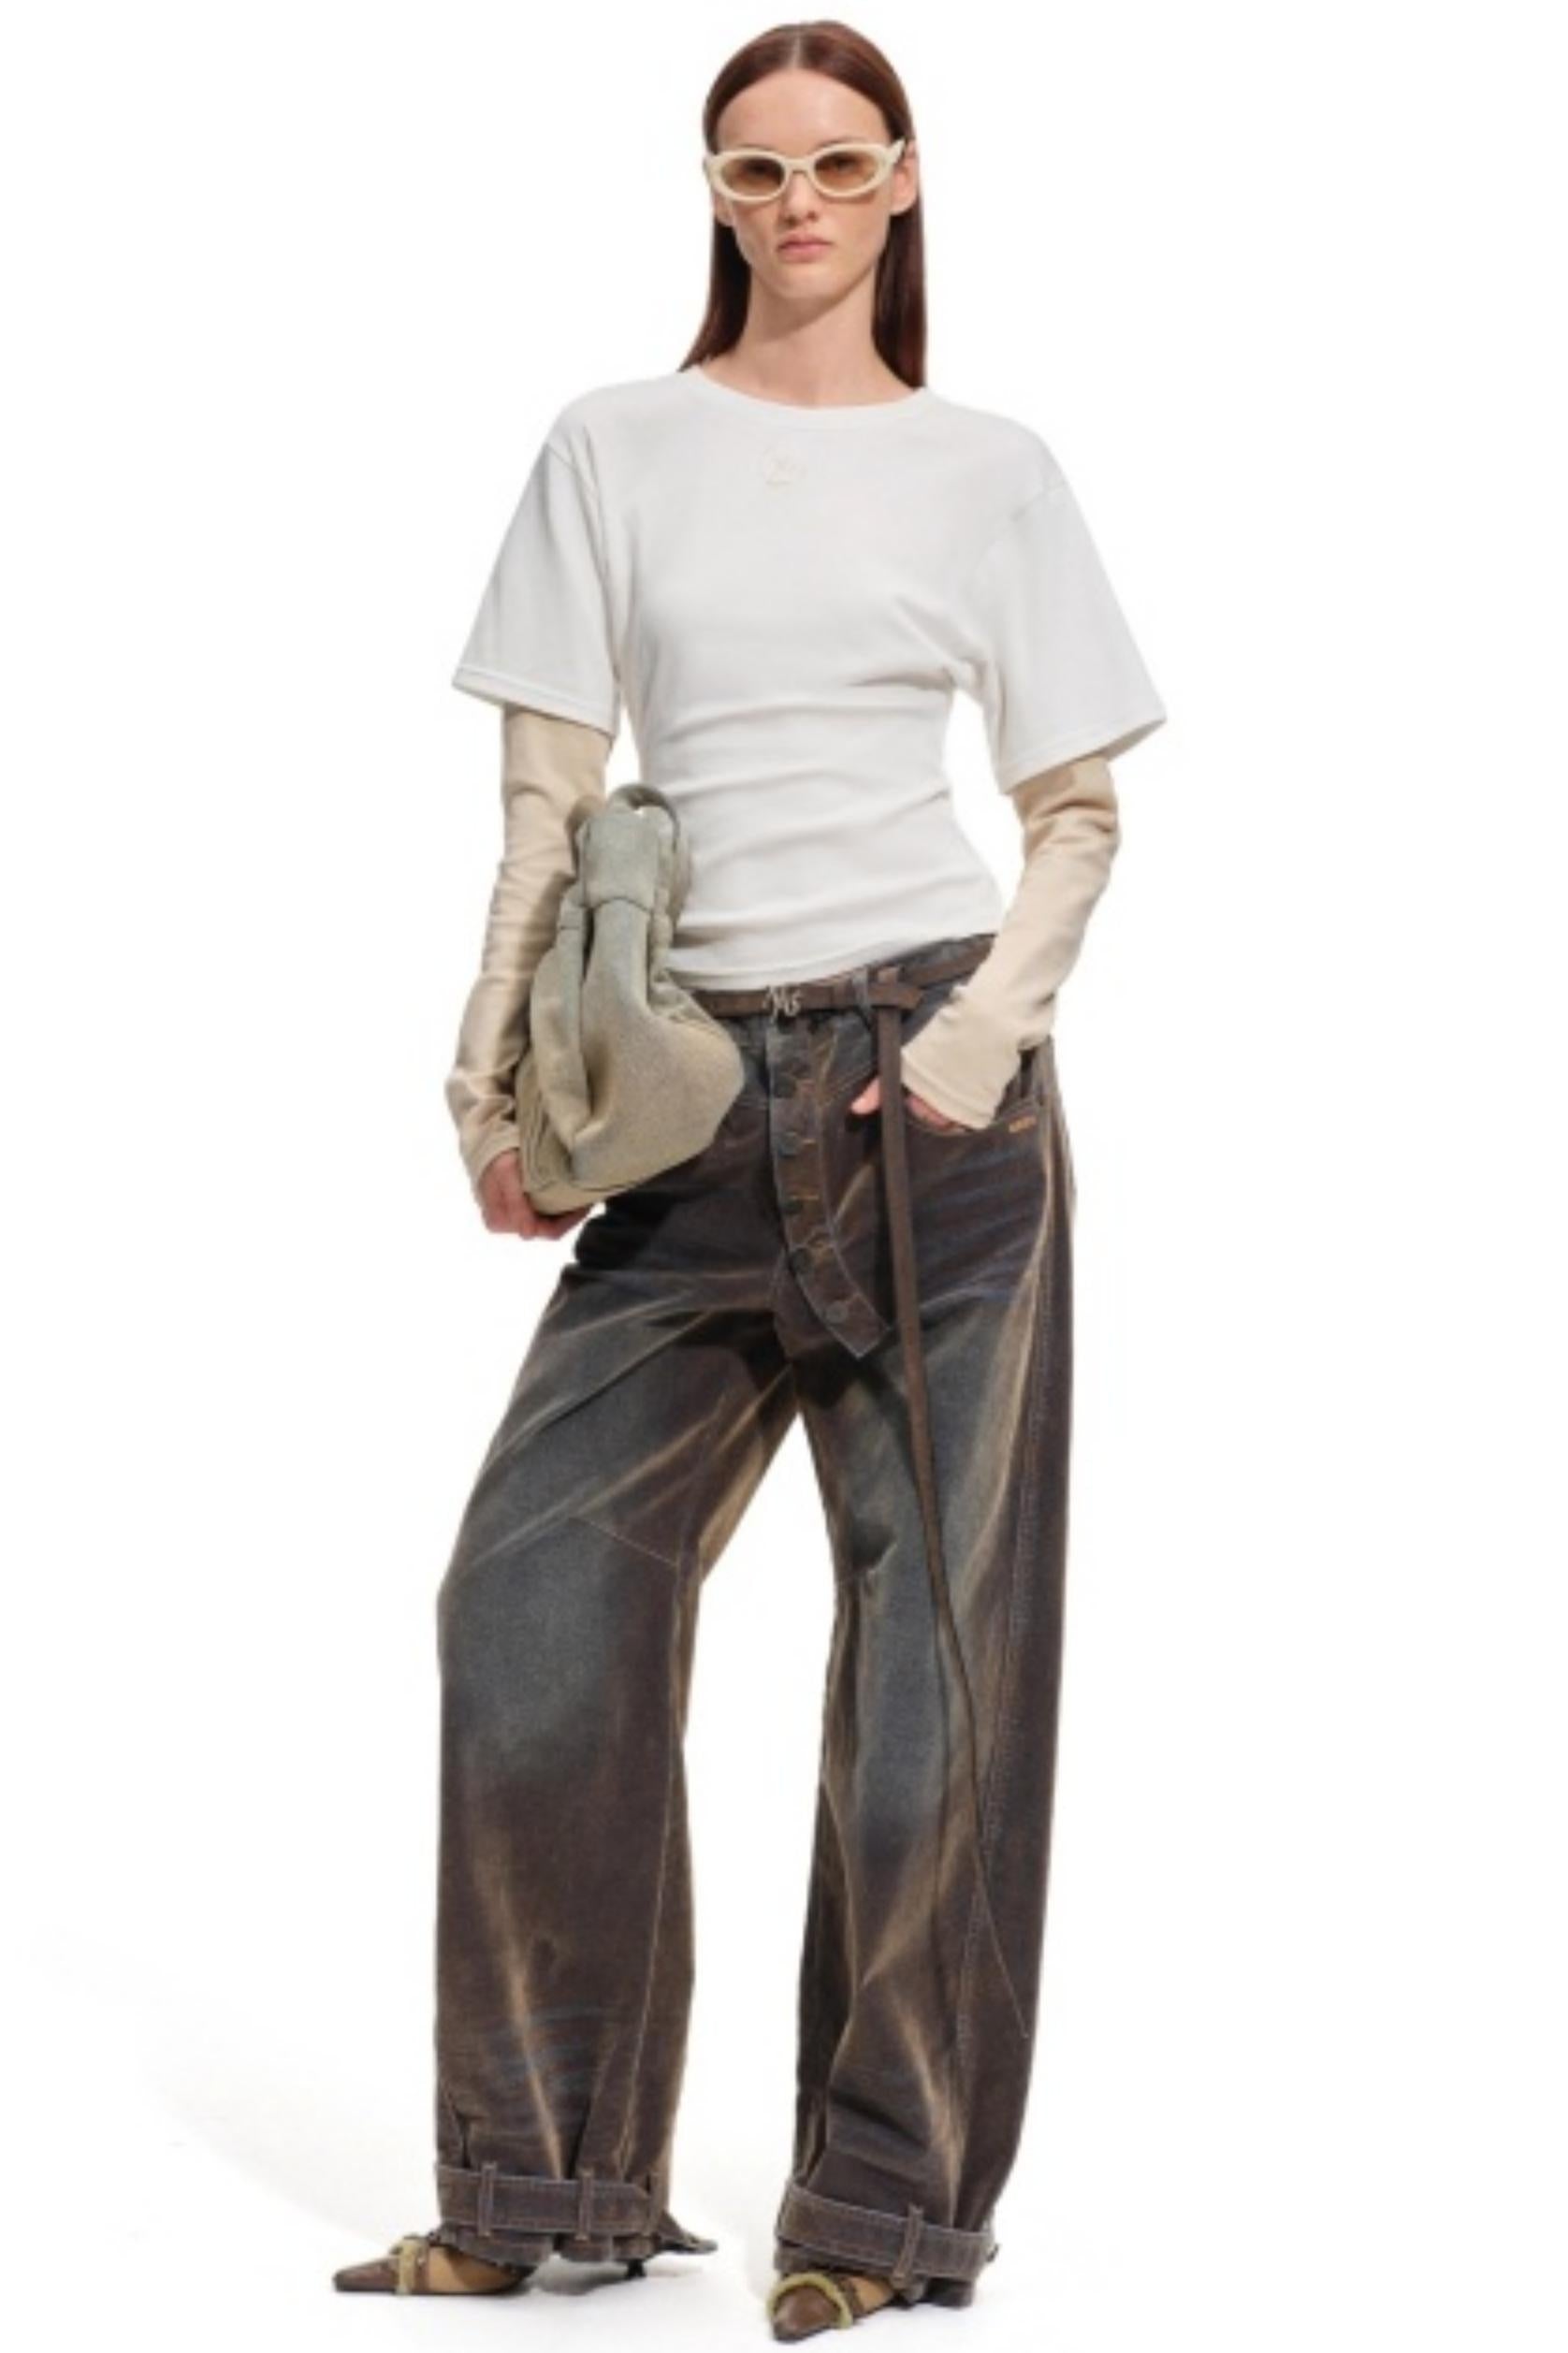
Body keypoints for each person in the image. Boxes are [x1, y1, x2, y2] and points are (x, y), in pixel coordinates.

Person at [333, 21, 1166, 2342]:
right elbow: (543, 808)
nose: (795, 203)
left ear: (900, 183)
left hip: (936, 1101)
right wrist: (493, 1087)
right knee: (529, 1606)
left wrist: (978, 1052)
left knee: (936, 1680)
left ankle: (879, 2217)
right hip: (685, 1102)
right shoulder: (613, 444)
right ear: (711, 195)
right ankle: (547, 2183)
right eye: (750, 171)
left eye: (834, 163)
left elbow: (1075, 812)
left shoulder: (992, 470)